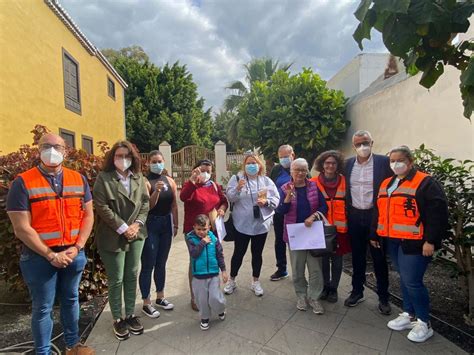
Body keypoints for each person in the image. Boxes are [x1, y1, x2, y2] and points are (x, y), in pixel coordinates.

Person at [6, 133, 95, 355]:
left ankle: (72, 346)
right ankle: (43, 352)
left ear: (66, 151)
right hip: (39, 258)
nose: (52, 151)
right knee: (43, 308)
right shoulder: (23, 182)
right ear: (38, 150)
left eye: (57, 146)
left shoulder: (78, 179)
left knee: (71, 299)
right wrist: (50, 255)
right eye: (47, 146)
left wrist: (77, 247)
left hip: (74, 253)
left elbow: (88, 216)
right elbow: (21, 227)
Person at [372, 145, 448, 342]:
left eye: (400, 160)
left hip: (415, 242)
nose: (395, 164)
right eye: (392, 160)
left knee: (413, 281)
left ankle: (424, 322)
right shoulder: (387, 183)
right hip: (393, 240)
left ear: (410, 162)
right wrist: (376, 234)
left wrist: (431, 241)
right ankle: (409, 314)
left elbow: (437, 214)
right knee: (404, 278)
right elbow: (380, 211)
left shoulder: (425, 182)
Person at [93, 141, 150, 340]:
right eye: (119, 155)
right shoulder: (104, 178)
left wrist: (136, 225)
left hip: (137, 235)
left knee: (132, 274)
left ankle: (130, 314)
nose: (123, 159)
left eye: (127, 156)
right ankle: (118, 318)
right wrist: (124, 227)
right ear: (112, 157)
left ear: (133, 158)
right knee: (116, 278)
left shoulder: (139, 177)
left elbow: (144, 202)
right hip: (112, 235)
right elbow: (101, 206)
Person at [344, 130, 393, 315]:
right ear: (353, 146)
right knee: (357, 257)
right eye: (358, 144)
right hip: (355, 217)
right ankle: (357, 291)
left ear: (372, 142)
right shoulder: (347, 164)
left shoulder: (383, 162)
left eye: (365, 142)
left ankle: (383, 297)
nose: (362, 147)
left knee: (379, 259)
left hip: (376, 217)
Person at [224, 152, 280, 296]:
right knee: (238, 253)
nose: (251, 166)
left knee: (257, 254)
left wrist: (266, 202)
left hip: (261, 225)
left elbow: (276, 198)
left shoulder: (266, 181)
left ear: (259, 165)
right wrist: (237, 188)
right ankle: (232, 280)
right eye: (248, 163)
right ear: (244, 165)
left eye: (254, 163)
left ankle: (255, 281)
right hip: (241, 224)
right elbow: (230, 197)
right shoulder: (236, 178)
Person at [277, 158, 328, 314]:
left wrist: (313, 217)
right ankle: (301, 295)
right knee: (298, 268)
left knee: (315, 269)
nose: (300, 173)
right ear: (291, 171)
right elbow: (280, 211)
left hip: (313, 233)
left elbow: (323, 206)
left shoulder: (313, 186)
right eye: (297, 169)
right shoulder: (285, 187)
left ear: (307, 171)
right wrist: (287, 198)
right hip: (295, 234)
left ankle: (314, 297)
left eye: (303, 170)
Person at [180, 159, 228, 311]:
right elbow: (183, 197)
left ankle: (211, 293)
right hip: (194, 232)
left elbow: (223, 201)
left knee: (211, 260)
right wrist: (193, 181)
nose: (206, 173)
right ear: (195, 170)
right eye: (202, 170)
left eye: (209, 170)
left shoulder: (214, 185)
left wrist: (221, 209)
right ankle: (195, 297)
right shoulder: (191, 186)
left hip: (211, 230)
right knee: (196, 261)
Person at [139, 150, 178, 318]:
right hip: (151, 224)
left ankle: (160, 296)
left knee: (161, 263)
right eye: (154, 161)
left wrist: (175, 224)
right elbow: (148, 207)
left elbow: (174, 205)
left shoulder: (170, 180)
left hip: (166, 224)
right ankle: (146, 302)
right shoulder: (146, 181)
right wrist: (156, 192)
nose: (157, 164)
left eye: (159, 161)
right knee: (148, 264)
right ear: (148, 163)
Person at [310, 150, 351, 303]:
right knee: (324, 259)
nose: (330, 165)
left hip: (340, 228)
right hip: (320, 228)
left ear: (338, 165)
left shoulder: (346, 181)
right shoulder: (313, 182)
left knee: (338, 260)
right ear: (322, 164)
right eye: (327, 163)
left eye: (333, 163)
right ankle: (325, 286)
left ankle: (334, 289)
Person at [186, 214, 228, 330]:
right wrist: (203, 242)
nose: (201, 232)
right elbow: (194, 254)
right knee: (202, 299)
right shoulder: (191, 238)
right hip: (199, 276)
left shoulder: (214, 239)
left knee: (214, 297)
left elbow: (220, 255)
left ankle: (220, 309)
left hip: (213, 274)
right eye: (198, 229)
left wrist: (223, 270)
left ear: (209, 227)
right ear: (194, 227)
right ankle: (205, 317)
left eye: (204, 229)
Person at [268, 144, 296, 281]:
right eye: (281, 157)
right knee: (279, 240)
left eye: (286, 156)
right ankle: (282, 269)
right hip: (279, 211)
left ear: (293, 155)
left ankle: (298, 272)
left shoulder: (299, 168)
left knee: (296, 241)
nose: (284, 159)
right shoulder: (276, 170)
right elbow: (270, 187)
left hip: (295, 212)